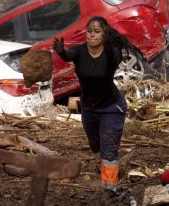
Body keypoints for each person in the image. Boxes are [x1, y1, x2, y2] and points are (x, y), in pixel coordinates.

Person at [53, 16, 135, 202]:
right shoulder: (80, 51)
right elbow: (68, 55)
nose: (92, 35)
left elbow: (116, 53)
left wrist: (109, 39)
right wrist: (61, 51)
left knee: (108, 149)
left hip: (111, 107)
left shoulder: (111, 53)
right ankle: (109, 170)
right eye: (89, 31)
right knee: (95, 146)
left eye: (97, 32)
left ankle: (110, 190)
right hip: (89, 108)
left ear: (104, 33)